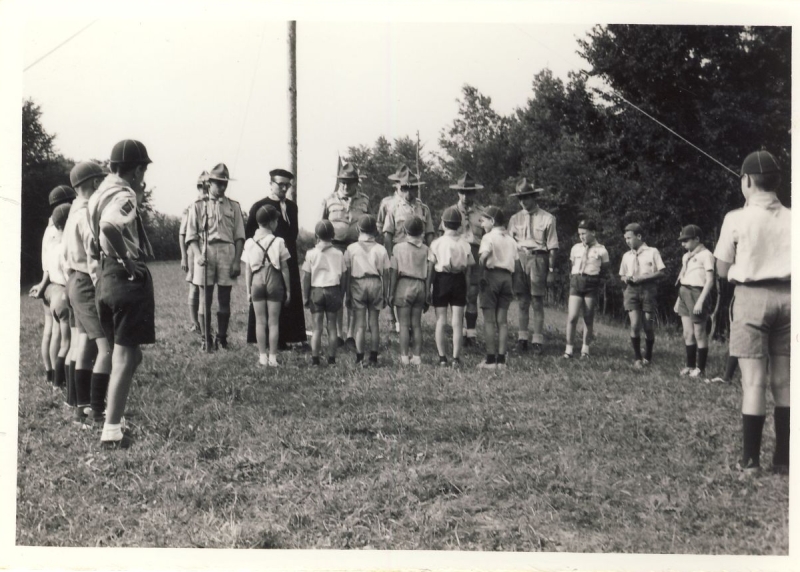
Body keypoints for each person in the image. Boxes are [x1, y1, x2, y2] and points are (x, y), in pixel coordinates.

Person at [714, 150, 790, 475]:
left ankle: (750, 461)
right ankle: (784, 460)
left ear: (746, 181)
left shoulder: (736, 218)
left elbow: (721, 268)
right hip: (790, 298)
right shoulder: (793, 216)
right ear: (778, 182)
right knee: (785, 382)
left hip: (751, 297)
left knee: (754, 382)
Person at [87, 138, 155, 449]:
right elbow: (110, 226)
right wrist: (128, 259)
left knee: (129, 354)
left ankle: (111, 414)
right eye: (143, 169)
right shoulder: (124, 193)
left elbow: (95, 236)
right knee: (126, 357)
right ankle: (112, 430)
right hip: (124, 276)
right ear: (137, 169)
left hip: (104, 277)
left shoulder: (98, 193)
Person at [62, 160, 112, 426]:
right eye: (100, 180)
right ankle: (97, 410)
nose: (102, 184)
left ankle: (80, 408)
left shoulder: (71, 214)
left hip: (73, 281)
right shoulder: (85, 215)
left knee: (84, 343)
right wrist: (101, 288)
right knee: (105, 347)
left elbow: (63, 256)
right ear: (93, 183)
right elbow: (94, 257)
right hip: (86, 282)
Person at [185, 163, 245, 351]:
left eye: (224, 183)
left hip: (227, 252)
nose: (222, 187)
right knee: (205, 298)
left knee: (225, 298)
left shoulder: (234, 206)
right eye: (218, 183)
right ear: (209, 183)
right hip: (206, 251)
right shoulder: (197, 206)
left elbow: (239, 236)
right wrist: (197, 255)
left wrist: (236, 261)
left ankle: (222, 337)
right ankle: (205, 338)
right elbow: (191, 236)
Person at [246, 168, 308, 349]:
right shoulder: (260, 206)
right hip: (266, 262)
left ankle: (289, 337)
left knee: (288, 297)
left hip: (287, 257)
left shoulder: (292, 207)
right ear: (271, 184)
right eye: (280, 184)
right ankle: (264, 339)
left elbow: (294, 232)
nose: (284, 188)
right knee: (268, 297)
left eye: (287, 185)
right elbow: (250, 233)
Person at [29, 185, 76, 387]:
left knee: (50, 330)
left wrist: (42, 283)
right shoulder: (59, 231)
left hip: (48, 283)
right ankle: (57, 375)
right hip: (56, 285)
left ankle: (50, 372)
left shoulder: (50, 228)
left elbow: (47, 263)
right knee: (57, 332)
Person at [320, 162, 370, 348]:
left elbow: (370, 224)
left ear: (357, 183)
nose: (345, 186)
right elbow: (321, 226)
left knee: (354, 290)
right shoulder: (329, 200)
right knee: (337, 290)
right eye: (342, 182)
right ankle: (338, 334)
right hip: (335, 249)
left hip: (357, 249)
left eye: (349, 182)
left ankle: (351, 334)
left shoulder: (364, 201)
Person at [508, 178, 558, 355]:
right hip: (520, 258)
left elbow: (552, 247)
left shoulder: (548, 218)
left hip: (538, 259)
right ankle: (522, 339)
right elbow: (509, 243)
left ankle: (537, 340)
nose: (523, 201)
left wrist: (551, 270)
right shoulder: (514, 219)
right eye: (520, 198)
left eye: (526, 197)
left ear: (534, 197)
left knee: (537, 301)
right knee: (522, 301)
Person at [383, 165, 435, 334]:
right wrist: (389, 255)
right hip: (400, 253)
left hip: (419, 254)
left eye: (412, 188)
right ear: (399, 188)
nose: (408, 193)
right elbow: (388, 234)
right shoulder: (393, 209)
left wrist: (431, 255)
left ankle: (411, 326)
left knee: (417, 288)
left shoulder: (423, 209)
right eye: (404, 188)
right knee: (397, 288)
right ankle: (396, 323)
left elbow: (429, 235)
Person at [242, 205, 291, 367]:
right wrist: (288, 290)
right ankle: (273, 358)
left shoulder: (249, 243)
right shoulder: (278, 241)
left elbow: (247, 269)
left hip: (256, 281)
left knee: (260, 322)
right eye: (276, 220)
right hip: (274, 280)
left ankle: (262, 357)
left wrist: (248, 290)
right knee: (273, 322)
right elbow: (284, 268)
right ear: (271, 223)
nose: (277, 222)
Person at [428, 206, 475, 367]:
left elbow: (430, 269)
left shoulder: (436, 243)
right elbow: (468, 271)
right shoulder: (465, 244)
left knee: (441, 320)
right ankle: (455, 358)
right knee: (457, 322)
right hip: (459, 280)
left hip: (441, 280)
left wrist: (428, 287)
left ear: (443, 223)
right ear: (459, 224)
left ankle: (442, 358)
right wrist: (467, 290)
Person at [444, 172, 485, 347]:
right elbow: (443, 235)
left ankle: (471, 333)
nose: (466, 196)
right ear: (458, 193)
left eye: (469, 192)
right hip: (457, 255)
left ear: (474, 193)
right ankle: (458, 332)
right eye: (462, 192)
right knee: (457, 294)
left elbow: (487, 238)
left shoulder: (482, 213)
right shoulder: (451, 212)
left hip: (474, 255)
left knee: (472, 294)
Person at [344, 214, 390, 366]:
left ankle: (359, 357)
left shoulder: (351, 249)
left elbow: (348, 273)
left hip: (357, 283)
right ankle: (374, 357)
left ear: (358, 229)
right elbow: (386, 273)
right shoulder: (381, 249)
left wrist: (348, 293)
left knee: (360, 324)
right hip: (375, 282)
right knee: (374, 323)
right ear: (375, 231)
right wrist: (385, 293)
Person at [477, 206, 519, 370]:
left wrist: (481, 272)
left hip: (491, 276)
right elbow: (517, 264)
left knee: (489, 320)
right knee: (502, 321)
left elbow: (484, 256)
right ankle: (501, 360)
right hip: (507, 278)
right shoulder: (511, 240)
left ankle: (489, 359)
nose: (482, 224)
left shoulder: (488, 238)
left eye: (484, 220)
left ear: (492, 221)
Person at [618, 222, 665, 368]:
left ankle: (648, 356)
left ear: (639, 236)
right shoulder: (626, 256)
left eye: (630, 238)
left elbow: (662, 272)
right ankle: (637, 357)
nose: (627, 241)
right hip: (631, 290)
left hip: (648, 290)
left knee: (648, 326)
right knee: (635, 325)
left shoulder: (652, 252)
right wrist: (625, 278)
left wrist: (643, 278)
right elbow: (622, 274)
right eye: (625, 238)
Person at [302, 220, 347, 366]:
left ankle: (315, 360)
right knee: (332, 327)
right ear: (333, 235)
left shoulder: (310, 254)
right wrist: (341, 293)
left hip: (317, 291)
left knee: (317, 328)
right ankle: (332, 359)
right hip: (333, 289)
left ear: (316, 235)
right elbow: (344, 276)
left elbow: (306, 276)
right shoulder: (339, 254)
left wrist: (305, 296)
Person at [563, 219, 610, 359]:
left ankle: (585, 349)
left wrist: (595, 282)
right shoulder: (575, 248)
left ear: (593, 233)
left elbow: (605, 271)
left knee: (588, 317)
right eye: (580, 234)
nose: (581, 237)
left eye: (584, 233)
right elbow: (572, 265)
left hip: (591, 283)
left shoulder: (601, 250)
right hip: (577, 281)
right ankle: (569, 349)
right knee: (572, 317)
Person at [673, 224, 715, 380]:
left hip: (698, 293)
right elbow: (683, 278)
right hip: (684, 292)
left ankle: (700, 368)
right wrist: (679, 299)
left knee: (699, 333)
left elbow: (710, 281)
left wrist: (700, 302)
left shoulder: (706, 255)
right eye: (681, 241)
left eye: (686, 240)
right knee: (687, 333)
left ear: (697, 239)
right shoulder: (686, 256)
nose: (683, 244)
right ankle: (690, 365)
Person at [387, 216, 430, 365]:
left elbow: (394, 271)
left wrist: (391, 293)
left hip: (404, 285)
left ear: (405, 231)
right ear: (422, 231)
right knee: (416, 324)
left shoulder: (398, 248)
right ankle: (417, 356)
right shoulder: (426, 249)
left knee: (404, 324)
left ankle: (404, 356)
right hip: (420, 285)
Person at [179, 171, 208, 335]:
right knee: (194, 286)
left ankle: (203, 322)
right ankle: (195, 323)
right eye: (202, 186)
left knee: (204, 287)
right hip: (193, 250)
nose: (205, 190)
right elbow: (183, 233)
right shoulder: (191, 206)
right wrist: (184, 256)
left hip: (208, 249)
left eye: (207, 186)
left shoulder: (212, 203)